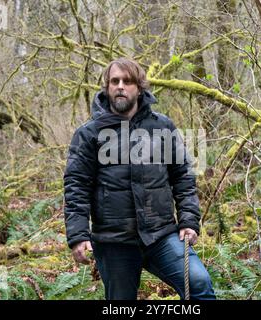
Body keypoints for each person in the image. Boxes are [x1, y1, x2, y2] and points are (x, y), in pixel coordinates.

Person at [63, 57, 215, 300]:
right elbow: (76, 187)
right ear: (107, 87)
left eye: (127, 81)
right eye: (115, 81)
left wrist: (188, 220)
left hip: (161, 235)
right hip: (114, 241)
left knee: (198, 285)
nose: (120, 86)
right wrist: (78, 235)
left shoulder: (162, 127)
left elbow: (183, 177)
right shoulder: (89, 133)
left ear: (140, 87)